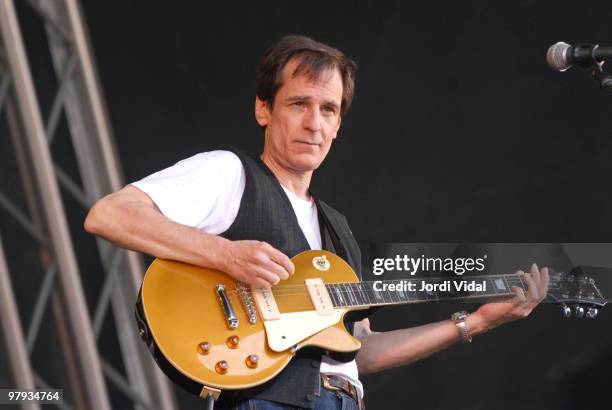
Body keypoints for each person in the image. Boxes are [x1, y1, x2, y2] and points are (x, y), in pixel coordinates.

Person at [84, 35, 549, 410]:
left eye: (328, 109)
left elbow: (358, 350)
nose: (314, 123)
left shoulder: (338, 231)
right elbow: (110, 214)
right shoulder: (230, 173)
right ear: (263, 109)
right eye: (298, 104)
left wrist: (475, 322)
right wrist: (224, 253)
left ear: (339, 124)